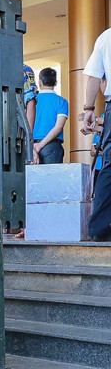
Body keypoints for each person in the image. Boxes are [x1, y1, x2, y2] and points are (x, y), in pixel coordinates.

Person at [81, 29, 111, 241]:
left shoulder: (106, 37)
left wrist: (89, 107)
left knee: (109, 167)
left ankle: (99, 229)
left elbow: (94, 76)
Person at [31, 67, 69, 164]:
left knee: (32, 179)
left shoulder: (31, 100)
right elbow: (58, 127)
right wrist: (40, 146)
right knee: (52, 178)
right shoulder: (62, 102)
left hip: (31, 147)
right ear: (55, 83)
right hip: (52, 146)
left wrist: (33, 147)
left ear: (40, 82)